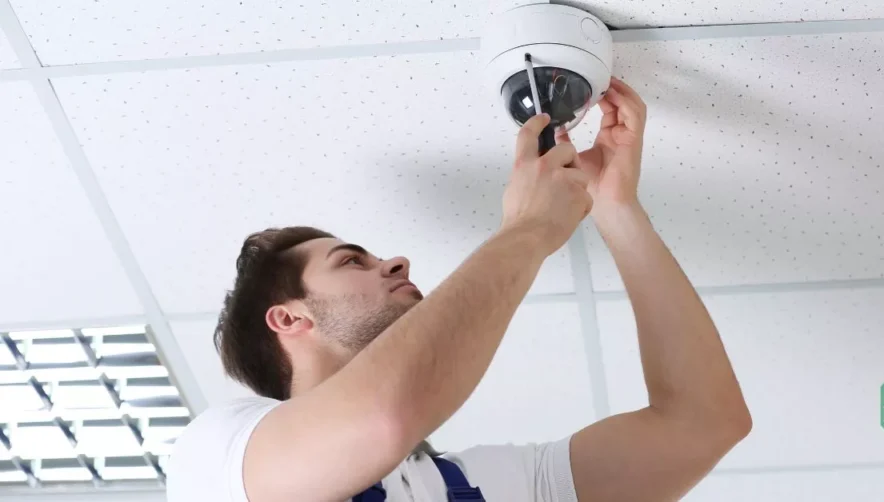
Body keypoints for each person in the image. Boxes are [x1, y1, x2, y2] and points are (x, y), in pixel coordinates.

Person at [166, 77, 752, 502]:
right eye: (350, 261)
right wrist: (528, 231)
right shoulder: (217, 458)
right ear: (289, 320)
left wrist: (616, 208)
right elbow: (382, 417)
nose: (394, 261)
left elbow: (703, 423)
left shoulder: (473, 487)